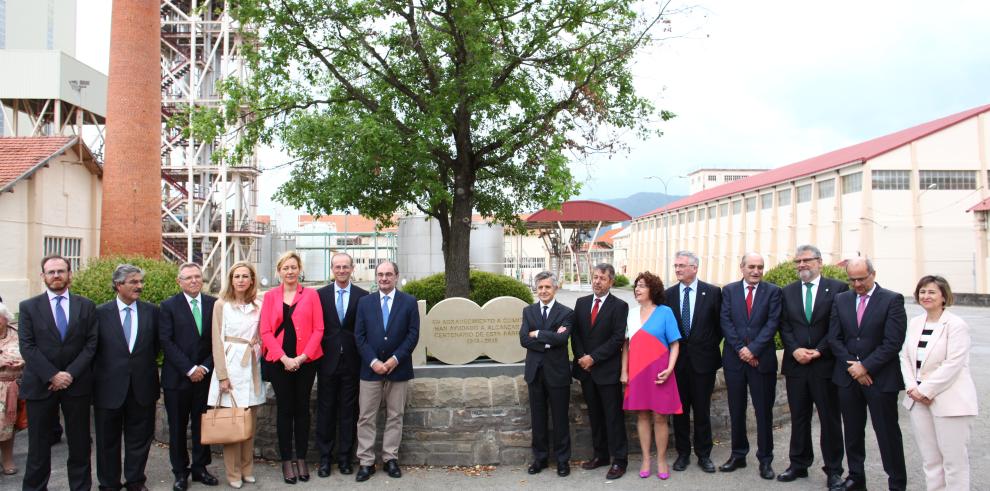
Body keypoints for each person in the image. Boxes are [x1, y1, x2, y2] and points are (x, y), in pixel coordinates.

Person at [19, 254, 98, 491]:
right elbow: (27, 346)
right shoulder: (28, 307)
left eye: (61, 271)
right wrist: (53, 375)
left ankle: (80, 487)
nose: (56, 276)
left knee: (80, 443)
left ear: (70, 274)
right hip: (41, 385)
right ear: (43, 276)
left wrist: (69, 374)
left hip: (77, 385)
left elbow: (91, 344)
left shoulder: (86, 305)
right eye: (51, 272)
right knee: (39, 446)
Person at [827, 257, 907, 491]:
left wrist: (866, 366)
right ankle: (856, 477)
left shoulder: (892, 300)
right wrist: (854, 366)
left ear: (873, 274)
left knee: (887, 433)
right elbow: (834, 338)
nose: (857, 284)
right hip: (848, 377)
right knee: (852, 431)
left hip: (881, 378)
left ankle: (896, 482)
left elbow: (893, 342)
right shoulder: (841, 299)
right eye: (852, 280)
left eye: (861, 279)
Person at [899, 275, 977, 491]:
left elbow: (953, 364)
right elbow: (905, 358)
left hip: (950, 402)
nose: (926, 296)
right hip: (918, 401)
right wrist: (912, 388)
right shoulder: (915, 323)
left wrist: (925, 390)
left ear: (944, 296)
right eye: (922, 292)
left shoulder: (956, 325)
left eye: (932, 292)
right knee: (931, 461)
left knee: (954, 463)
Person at [778, 245, 846, 488]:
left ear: (819, 261)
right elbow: (784, 325)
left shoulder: (838, 289)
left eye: (806, 260)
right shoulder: (787, 291)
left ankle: (834, 470)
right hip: (796, 365)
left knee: (829, 419)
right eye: (798, 261)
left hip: (824, 365)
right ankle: (798, 464)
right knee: (799, 417)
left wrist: (820, 350)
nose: (801, 265)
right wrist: (795, 349)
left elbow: (838, 326)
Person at [93, 264, 162, 491]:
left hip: (142, 387)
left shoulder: (152, 311)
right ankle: (109, 483)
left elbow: (155, 347)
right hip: (108, 389)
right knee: (107, 441)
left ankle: (135, 481)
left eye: (140, 281)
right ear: (118, 284)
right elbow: (92, 350)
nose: (139, 286)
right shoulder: (99, 313)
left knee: (139, 439)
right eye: (134, 282)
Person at [259, 251, 325, 484]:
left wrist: (302, 357)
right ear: (279, 271)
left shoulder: (311, 295)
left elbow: (319, 329)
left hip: (306, 361)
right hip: (279, 362)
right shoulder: (270, 297)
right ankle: (287, 460)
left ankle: (301, 458)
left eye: (293, 267)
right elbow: (265, 331)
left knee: (302, 409)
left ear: (300, 270)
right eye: (285, 268)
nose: (290, 271)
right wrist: (284, 358)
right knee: (285, 409)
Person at [353, 261, 420, 482]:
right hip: (370, 369)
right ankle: (366, 462)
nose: (384, 278)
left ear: (396, 276)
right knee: (366, 417)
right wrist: (373, 361)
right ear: (376, 277)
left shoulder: (409, 302)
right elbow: (359, 336)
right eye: (380, 274)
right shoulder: (365, 303)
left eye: (388, 274)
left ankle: (390, 458)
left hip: (398, 369)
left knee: (395, 415)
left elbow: (412, 335)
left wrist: (393, 360)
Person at [719, 252, 781, 480]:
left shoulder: (773, 292)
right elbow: (725, 321)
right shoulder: (729, 290)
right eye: (752, 267)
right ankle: (738, 455)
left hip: (761, 361)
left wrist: (753, 349)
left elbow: (773, 323)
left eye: (760, 267)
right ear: (742, 267)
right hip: (735, 361)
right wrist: (741, 350)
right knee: (736, 409)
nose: (756, 271)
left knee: (763, 412)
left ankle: (765, 460)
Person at [159, 263, 220, 490]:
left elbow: (217, 340)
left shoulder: (213, 305)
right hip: (177, 379)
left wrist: (203, 368)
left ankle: (200, 468)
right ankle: (180, 472)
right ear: (179, 281)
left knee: (202, 426)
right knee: (177, 427)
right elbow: (166, 341)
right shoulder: (168, 306)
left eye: (197, 276)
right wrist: (189, 369)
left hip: (204, 377)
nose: (194, 281)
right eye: (188, 277)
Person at [208, 261, 266, 489]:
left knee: (249, 425)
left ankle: (247, 468)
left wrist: (257, 346)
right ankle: (232, 473)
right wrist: (222, 375)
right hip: (230, 368)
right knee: (232, 426)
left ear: (252, 280)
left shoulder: (258, 305)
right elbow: (216, 341)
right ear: (230, 280)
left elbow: (262, 335)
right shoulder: (222, 305)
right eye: (236, 276)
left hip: (251, 367)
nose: (241, 280)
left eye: (245, 276)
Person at [664, 251, 722, 474]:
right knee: (679, 412)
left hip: (703, 363)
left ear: (694, 268)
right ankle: (683, 453)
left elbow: (719, 328)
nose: (677, 269)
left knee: (702, 410)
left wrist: (704, 346)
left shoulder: (713, 292)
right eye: (676, 265)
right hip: (677, 364)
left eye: (682, 265)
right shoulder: (668, 295)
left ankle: (704, 454)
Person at [571, 264, 628, 479]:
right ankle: (601, 455)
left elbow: (617, 339)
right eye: (595, 277)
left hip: (607, 371)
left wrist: (593, 358)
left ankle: (619, 460)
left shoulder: (619, 306)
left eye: (602, 278)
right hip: (587, 372)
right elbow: (575, 334)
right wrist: (582, 358)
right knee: (594, 416)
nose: (597, 281)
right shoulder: (582, 303)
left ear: (611, 281)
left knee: (613, 418)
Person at [622, 271, 681, 480]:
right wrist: (624, 372)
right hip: (637, 372)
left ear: (652, 290)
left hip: (660, 372)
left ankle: (662, 460)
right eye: (636, 285)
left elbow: (675, 344)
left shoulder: (665, 312)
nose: (637, 289)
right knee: (642, 415)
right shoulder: (630, 313)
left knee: (660, 416)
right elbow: (627, 346)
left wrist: (670, 368)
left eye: (642, 285)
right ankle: (646, 459)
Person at [315, 253, 369, 477]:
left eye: (345, 267)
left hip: (352, 362)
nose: (342, 270)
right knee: (325, 411)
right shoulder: (319, 295)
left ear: (352, 268)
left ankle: (345, 458)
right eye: (337, 267)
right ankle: (325, 459)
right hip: (326, 361)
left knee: (349, 412)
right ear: (332, 269)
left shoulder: (363, 296)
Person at [519, 271, 574, 478]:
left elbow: (563, 340)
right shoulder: (528, 311)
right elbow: (524, 339)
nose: (543, 291)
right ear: (536, 289)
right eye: (540, 287)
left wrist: (539, 335)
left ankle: (562, 461)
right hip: (535, 373)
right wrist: (549, 339)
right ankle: (540, 459)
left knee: (560, 419)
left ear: (555, 288)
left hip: (557, 373)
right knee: (538, 418)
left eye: (547, 287)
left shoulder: (566, 313)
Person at [0, 302, 25, 475]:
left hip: (12, 388)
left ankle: (7, 460)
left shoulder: (16, 333)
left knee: (8, 427)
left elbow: (27, 352)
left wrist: (21, 362)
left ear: (5, 318)